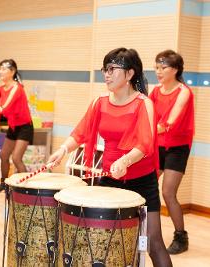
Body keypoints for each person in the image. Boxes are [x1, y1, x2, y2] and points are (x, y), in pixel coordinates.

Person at [48, 48, 172, 267]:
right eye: (105, 69)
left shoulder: (144, 104)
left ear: (130, 74)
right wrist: (63, 150)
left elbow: (145, 144)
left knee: (153, 243)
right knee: (106, 242)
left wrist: (124, 161)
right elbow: (81, 132)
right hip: (110, 180)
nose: (107, 74)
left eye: (113, 69)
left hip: (142, 181)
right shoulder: (100, 102)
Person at [149, 50, 194, 254]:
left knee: (168, 192)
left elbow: (170, 122)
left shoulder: (184, 91)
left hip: (177, 147)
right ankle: (149, 231)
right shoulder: (156, 91)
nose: (158, 71)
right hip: (157, 145)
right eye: (157, 67)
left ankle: (180, 237)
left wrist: (147, 129)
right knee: (147, 185)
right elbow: (146, 115)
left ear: (175, 69)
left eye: (163, 67)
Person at [0, 59, 33, 193]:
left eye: (4, 69)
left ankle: (27, 189)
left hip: (25, 127)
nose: (0, 71)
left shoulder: (17, 88)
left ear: (12, 71)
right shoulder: (0, 89)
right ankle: (4, 184)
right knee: (3, 155)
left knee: (16, 158)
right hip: (13, 127)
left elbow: (5, 106)